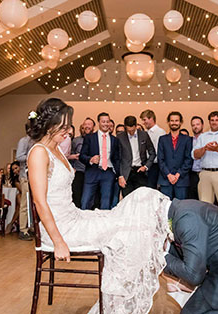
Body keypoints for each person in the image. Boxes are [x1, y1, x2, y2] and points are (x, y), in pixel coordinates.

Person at [27, 98, 170, 313]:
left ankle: (120, 300)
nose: (68, 131)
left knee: (138, 203)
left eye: (68, 126)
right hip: (60, 229)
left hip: (74, 217)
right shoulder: (39, 153)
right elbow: (39, 202)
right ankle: (119, 302)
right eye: (64, 127)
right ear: (49, 124)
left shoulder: (56, 149)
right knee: (122, 231)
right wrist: (58, 242)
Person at [79, 112, 120, 210]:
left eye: (108, 121)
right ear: (98, 122)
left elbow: (117, 159)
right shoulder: (89, 138)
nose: (106, 124)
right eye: (103, 121)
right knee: (85, 201)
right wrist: (90, 159)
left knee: (106, 202)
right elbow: (82, 156)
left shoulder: (115, 140)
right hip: (92, 172)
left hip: (108, 173)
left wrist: (118, 174)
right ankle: (85, 222)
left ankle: (104, 224)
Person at [117, 115, 155, 197]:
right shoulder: (120, 137)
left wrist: (146, 166)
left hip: (140, 171)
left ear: (136, 125)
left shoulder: (144, 135)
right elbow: (118, 158)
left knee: (141, 199)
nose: (131, 132)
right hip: (126, 173)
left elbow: (152, 152)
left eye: (133, 130)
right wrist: (120, 175)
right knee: (127, 200)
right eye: (128, 130)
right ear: (125, 127)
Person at [157, 112, 193, 200]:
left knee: (181, 207)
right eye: (172, 121)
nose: (174, 123)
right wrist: (168, 175)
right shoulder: (162, 139)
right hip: (165, 179)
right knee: (164, 208)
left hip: (181, 180)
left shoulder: (187, 139)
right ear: (168, 122)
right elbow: (160, 159)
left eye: (176, 121)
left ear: (181, 122)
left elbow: (188, 159)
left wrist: (177, 174)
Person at [15, 125, 34, 241]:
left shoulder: (37, 141)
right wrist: (33, 156)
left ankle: (31, 226)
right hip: (25, 176)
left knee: (34, 203)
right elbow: (19, 156)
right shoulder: (24, 141)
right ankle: (22, 229)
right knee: (25, 202)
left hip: (34, 176)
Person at [140, 109, 166, 189]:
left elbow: (160, 151)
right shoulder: (145, 133)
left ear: (151, 118)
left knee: (152, 189)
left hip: (155, 165)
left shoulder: (160, 132)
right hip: (145, 164)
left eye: (145, 120)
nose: (143, 123)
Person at [188, 116, 203, 199]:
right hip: (192, 174)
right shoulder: (189, 140)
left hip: (204, 173)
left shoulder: (207, 139)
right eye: (193, 125)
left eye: (197, 124)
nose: (195, 127)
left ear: (202, 125)